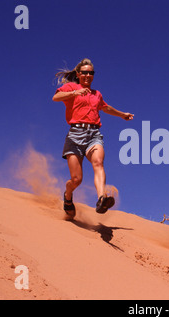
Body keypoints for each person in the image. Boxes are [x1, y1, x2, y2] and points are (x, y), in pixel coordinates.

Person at [52, 58, 134, 218]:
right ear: (78, 74)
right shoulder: (72, 87)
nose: (88, 75)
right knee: (76, 180)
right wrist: (75, 92)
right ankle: (67, 196)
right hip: (75, 134)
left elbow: (105, 107)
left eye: (91, 73)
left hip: (93, 135)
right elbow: (56, 97)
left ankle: (101, 198)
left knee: (98, 163)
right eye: (85, 72)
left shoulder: (97, 94)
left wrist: (122, 115)